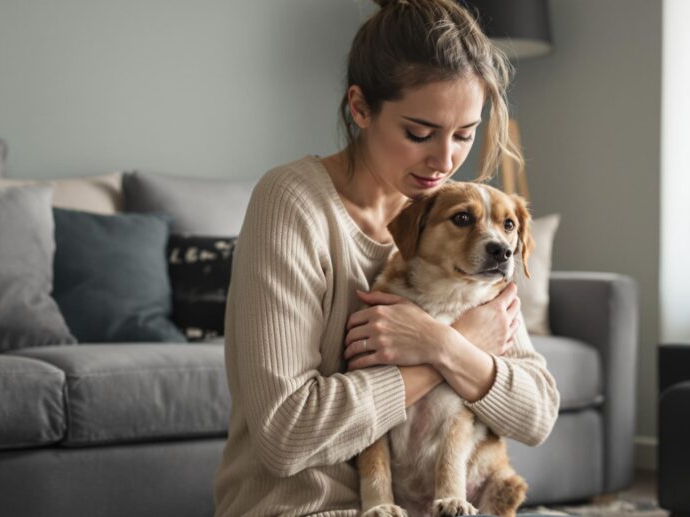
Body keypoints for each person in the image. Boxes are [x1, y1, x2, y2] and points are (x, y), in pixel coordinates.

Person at [213, 0, 560, 515]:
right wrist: (454, 346)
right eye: (419, 133)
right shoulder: (293, 204)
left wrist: (443, 345)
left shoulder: (456, 236)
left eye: (465, 135)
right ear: (360, 108)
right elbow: (285, 436)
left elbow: (536, 414)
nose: (444, 161)